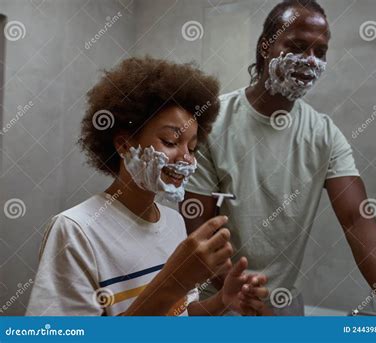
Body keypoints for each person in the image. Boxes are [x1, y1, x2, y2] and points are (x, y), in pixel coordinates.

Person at [182, 0, 376, 316]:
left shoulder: (324, 134)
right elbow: (198, 227)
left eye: (319, 52)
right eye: (297, 46)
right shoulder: (215, 121)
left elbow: (357, 219)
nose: (310, 60)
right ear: (266, 47)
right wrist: (238, 291)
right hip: (220, 303)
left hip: (284, 306)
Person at [26, 57, 269, 316]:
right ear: (124, 145)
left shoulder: (175, 223)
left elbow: (178, 314)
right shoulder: (75, 231)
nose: (186, 157)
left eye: (192, 147)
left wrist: (222, 300)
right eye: (170, 140)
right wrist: (173, 281)